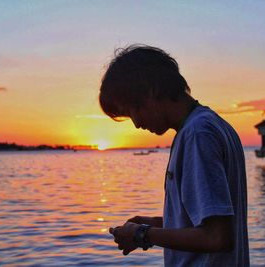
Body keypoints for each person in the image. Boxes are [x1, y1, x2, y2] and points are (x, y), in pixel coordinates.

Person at [99, 45, 249, 266]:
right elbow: (208, 222)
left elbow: (217, 237)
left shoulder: (197, 135)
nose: (137, 123)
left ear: (149, 91)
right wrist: (156, 224)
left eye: (132, 111)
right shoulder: (210, 126)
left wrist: (144, 234)